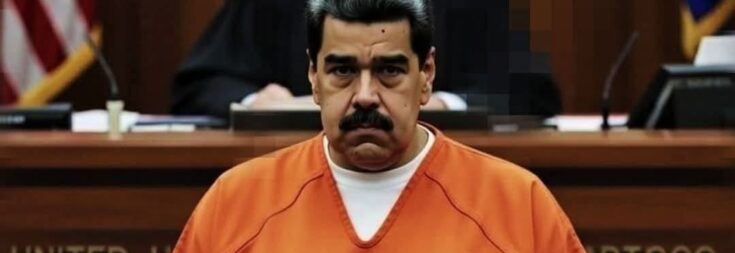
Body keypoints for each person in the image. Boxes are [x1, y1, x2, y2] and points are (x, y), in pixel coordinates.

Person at [139, 0, 625, 253]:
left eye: (390, 71)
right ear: (312, 77)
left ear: (426, 74)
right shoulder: (234, 205)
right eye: (342, 71)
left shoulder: (519, 206)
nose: (366, 96)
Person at [171, 0, 562, 119]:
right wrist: (259, 102)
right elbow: (202, 84)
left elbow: (529, 91)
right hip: (294, 176)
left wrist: (443, 107)